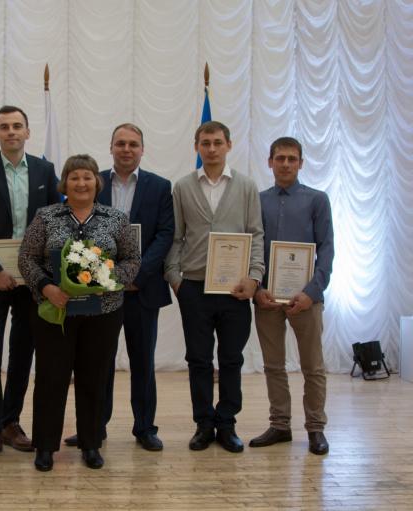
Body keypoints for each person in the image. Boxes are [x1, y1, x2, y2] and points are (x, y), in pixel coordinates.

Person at [18, 154, 140, 471]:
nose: (81, 183)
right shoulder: (46, 216)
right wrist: (46, 287)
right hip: (56, 313)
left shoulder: (116, 218)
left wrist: (109, 280)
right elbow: (26, 258)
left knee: (94, 378)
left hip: (103, 313)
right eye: (74, 177)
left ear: (97, 182)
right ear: (65, 183)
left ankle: (91, 443)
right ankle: (45, 446)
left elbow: (132, 259)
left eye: (87, 177)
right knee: (51, 379)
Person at [64, 124, 174, 451]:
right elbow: (79, 229)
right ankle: (94, 427)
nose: (127, 149)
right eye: (121, 143)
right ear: (111, 147)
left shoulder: (160, 186)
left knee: (143, 362)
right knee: (98, 363)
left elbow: (164, 235)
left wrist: (135, 275)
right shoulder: (93, 182)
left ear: (142, 149)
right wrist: (104, 277)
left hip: (142, 289)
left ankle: (145, 428)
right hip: (99, 291)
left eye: (133, 144)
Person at [0, 105, 59, 462]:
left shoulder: (45, 170)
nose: (11, 132)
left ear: (27, 132)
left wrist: (40, 273)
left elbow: (55, 221)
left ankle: (10, 421)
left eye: (17, 126)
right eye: (4, 127)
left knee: (22, 353)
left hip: (33, 281)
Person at [164, 120, 264, 453]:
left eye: (217, 142)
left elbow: (256, 234)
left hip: (235, 290)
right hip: (194, 287)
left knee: (232, 359)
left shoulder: (246, 186)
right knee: (199, 359)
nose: (211, 149)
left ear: (228, 146)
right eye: (205, 143)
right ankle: (204, 424)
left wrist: (254, 277)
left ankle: (227, 423)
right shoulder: (183, 187)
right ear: (196, 147)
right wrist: (175, 279)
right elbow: (176, 237)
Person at [249, 137, 334, 455]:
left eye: (292, 159)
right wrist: (257, 289)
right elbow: (251, 247)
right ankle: (280, 425)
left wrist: (312, 293)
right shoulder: (257, 201)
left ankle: (316, 428)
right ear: (270, 162)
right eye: (280, 158)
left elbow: (327, 250)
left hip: (306, 299)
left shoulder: (317, 200)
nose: (285, 164)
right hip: (268, 297)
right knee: (273, 365)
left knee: (313, 366)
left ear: (301, 163)